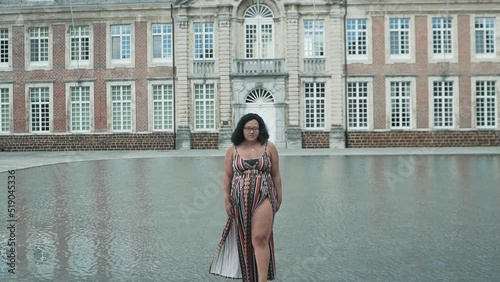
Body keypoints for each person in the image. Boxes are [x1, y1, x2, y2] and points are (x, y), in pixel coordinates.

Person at [209, 113, 282, 282]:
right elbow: (227, 176)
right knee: (245, 239)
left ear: (260, 129)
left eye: (255, 128)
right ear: (242, 129)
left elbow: (276, 175)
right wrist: (227, 200)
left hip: (264, 195)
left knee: (259, 237)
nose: (251, 132)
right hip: (239, 199)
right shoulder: (232, 149)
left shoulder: (269, 147)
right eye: (248, 128)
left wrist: (279, 197)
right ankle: (249, 278)